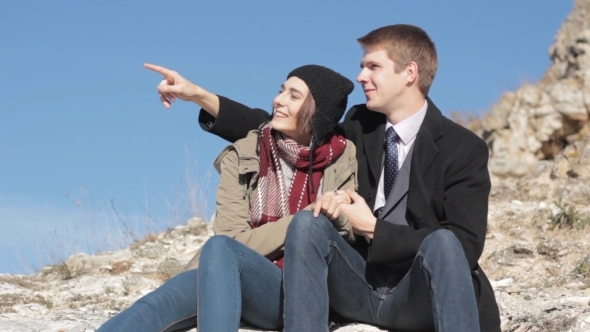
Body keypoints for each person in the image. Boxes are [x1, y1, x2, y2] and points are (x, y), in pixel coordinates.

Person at [195, 24, 501, 332]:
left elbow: (465, 245)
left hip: (416, 294)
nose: (361, 77)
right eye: (362, 67)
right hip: (357, 282)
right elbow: (294, 128)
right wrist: (202, 98)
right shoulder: (360, 123)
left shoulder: (463, 148)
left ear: (409, 73)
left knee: (445, 242)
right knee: (307, 222)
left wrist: (373, 228)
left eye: (373, 66)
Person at [97, 64, 356, 331]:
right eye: (281, 91)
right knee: (158, 303)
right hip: (232, 271)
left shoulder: (344, 158)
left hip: (296, 292)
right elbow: (232, 241)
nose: (277, 100)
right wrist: (306, 218)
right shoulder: (244, 154)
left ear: (318, 112)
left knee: (220, 251)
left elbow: (344, 232)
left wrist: (324, 221)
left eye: (293, 96)